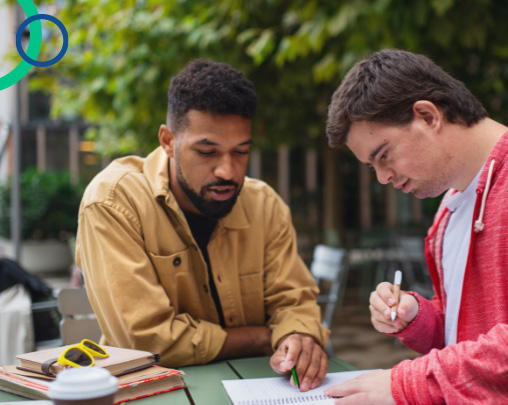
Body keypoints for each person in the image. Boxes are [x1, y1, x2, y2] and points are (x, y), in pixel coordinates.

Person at [322, 49, 508, 404]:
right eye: (371, 166)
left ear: (427, 116)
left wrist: (406, 385)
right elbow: (464, 336)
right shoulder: (449, 211)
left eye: (384, 155)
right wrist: (418, 318)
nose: (383, 177)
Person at [76, 59, 329, 391]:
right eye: (207, 152)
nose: (227, 171)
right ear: (168, 141)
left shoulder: (264, 205)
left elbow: (295, 301)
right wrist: (263, 337)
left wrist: (299, 335)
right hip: (151, 393)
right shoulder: (113, 202)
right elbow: (144, 339)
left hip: (264, 390)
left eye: (240, 152)